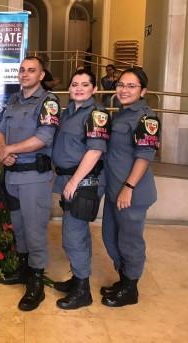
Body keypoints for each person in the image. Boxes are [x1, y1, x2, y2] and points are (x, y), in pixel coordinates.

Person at [0, 56, 60, 312]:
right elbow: (0, 129)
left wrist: (10, 149)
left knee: (34, 231)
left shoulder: (48, 102)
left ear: (41, 75)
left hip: (34, 177)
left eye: (31, 70)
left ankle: (36, 283)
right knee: (19, 228)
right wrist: (3, 150)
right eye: (22, 70)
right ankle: (23, 270)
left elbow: (44, 138)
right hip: (12, 175)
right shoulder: (13, 100)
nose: (24, 74)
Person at [101, 67, 160, 307]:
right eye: (121, 85)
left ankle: (130, 288)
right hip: (115, 189)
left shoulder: (146, 117)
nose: (124, 90)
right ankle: (124, 279)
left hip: (131, 192)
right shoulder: (121, 113)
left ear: (143, 91)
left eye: (131, 86)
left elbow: (145, 155)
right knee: (110, 236)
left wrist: (128, 186)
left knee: (129, 240)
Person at [51, 70, 110, 310]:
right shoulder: (68, 112)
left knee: (73, 235)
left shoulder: (96, 114)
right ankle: (78, 279)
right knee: (76, 232)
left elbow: (95, 151)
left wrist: (74, 181)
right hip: (68, 178)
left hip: (83, 181)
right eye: (74, 84)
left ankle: (83, 290)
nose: (78, 88)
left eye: (85, 85)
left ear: (94, 89)